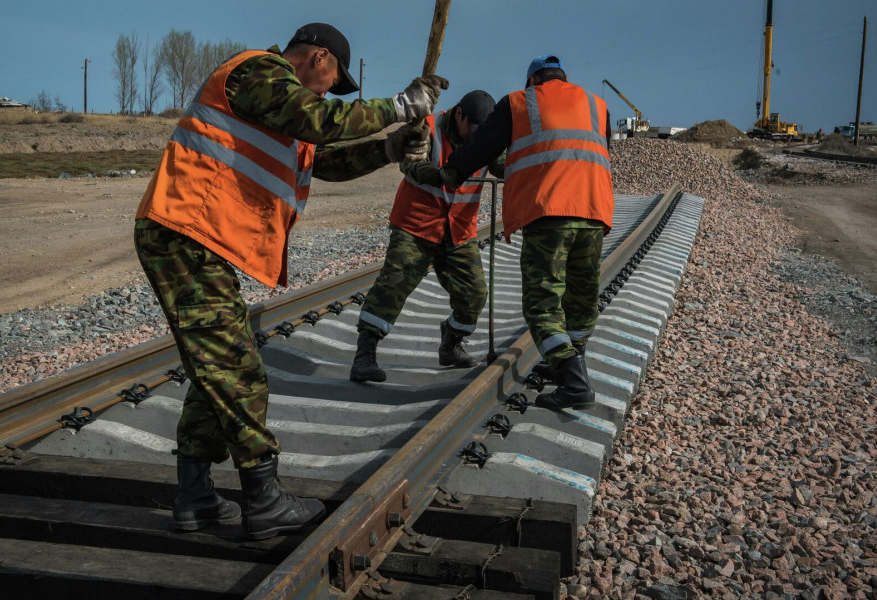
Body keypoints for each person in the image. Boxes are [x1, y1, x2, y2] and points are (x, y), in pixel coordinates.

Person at [133, 22, 448, 540]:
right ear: (319, 58)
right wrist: (400, 106)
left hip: (195, 238)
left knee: (216, 372)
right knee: (240, 371)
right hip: (182, 230)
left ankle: (195, 497)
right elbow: (318, 120)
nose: (327, 92)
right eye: (331, 81)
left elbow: (322, 158)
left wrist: (388, 150)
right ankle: (263, 499)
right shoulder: (259, 72)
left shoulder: (284, 108)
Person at [411, 55, 613, 411]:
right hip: (595, 211)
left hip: (548, 210)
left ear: (532, 78)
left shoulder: (521, 101)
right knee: (581, 299)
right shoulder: (597, 105)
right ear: (564, 77)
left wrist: (451, 173)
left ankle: (574, 381)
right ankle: (568, 362)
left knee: (542, 305)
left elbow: (482, 148)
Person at [350, 90, 505, 383]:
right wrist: (435, 174)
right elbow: (409, 162)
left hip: (458, 231)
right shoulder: (428, 127)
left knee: (474, 294)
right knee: (393, 285)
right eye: (469, 129)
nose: (473, 137)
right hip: (416, 226)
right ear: (459, 114)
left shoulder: (486, 138)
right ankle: (364, 356)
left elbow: (504, 166)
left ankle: (451, 341)